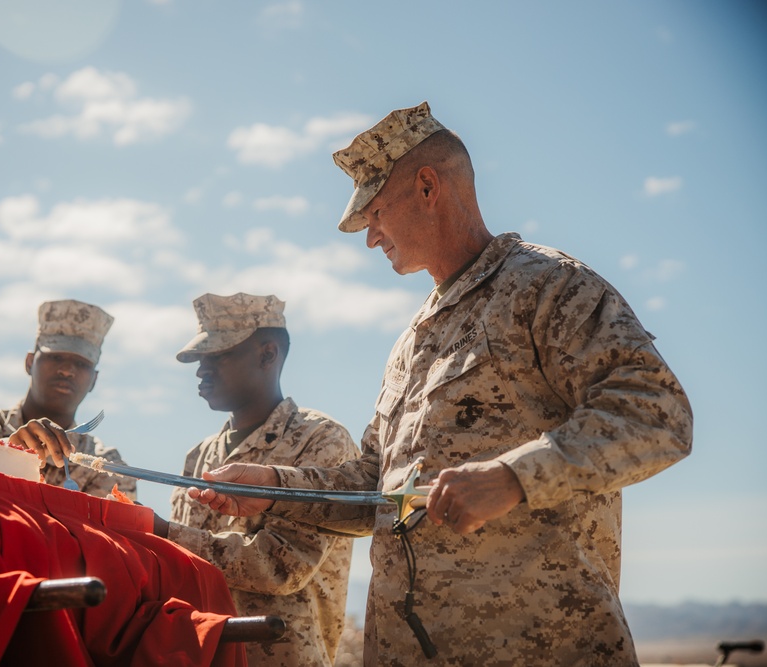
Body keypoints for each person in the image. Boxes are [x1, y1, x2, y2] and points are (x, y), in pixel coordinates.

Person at [186, 102, 693, 666]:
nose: (371, 237)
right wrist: (274, 485)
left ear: (428, 186)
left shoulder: (548, 288)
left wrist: (511, 478)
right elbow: (377, 489)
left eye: (375, 213)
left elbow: (659, 413)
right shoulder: (412, 340)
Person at [157, 293, 360, 666]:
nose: (202, 369)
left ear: (267, 354)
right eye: (201, 358)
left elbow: (283, 566)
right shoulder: (198, 455)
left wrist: (164, 535)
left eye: (218, 355)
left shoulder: (323, 440)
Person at [0, 299, 136, 500]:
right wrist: (4, 451)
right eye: (56, 357)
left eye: (81, 363)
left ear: (94, 380)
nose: (67, 371)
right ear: (30, 362)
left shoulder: (104, 466)